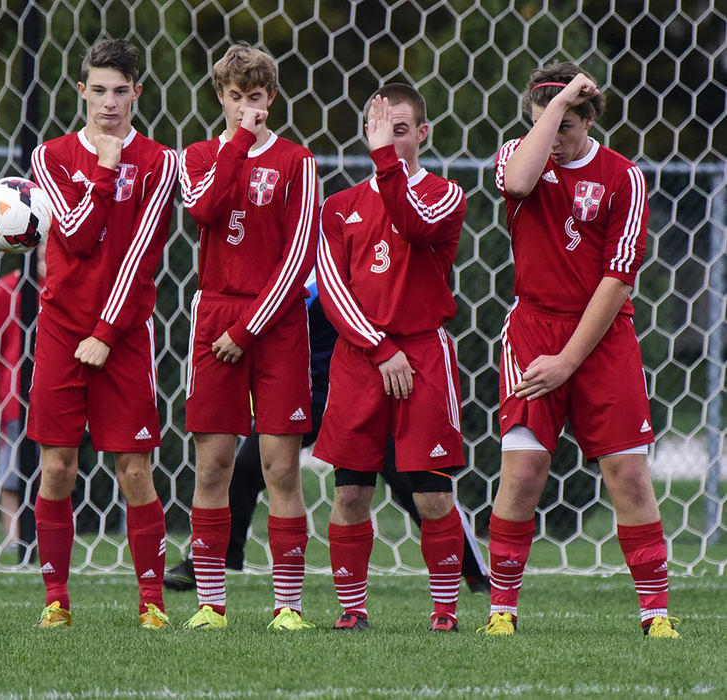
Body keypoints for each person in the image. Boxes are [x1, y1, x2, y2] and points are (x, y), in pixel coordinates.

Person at [480, 61, 679, 639]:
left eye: (566, 125)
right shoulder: (520, 160)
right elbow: (517, 183)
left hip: (601, 336)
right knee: (523, 473)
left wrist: (569, 360)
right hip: (533, 329)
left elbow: (617, 281)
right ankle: (501, 613)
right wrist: (556, 101)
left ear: (590, 121)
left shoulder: (624, 178)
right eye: (543, 123)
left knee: (628, 475)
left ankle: (655, 616)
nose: (555, 138)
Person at [164, 280, 490, 593]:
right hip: (305, 398)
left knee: (419, 485)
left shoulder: (341, 264)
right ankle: (208, 562)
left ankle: (476, 575)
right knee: (245, 468)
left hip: (362, 396)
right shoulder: (284, 271)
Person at [28, 38, 178, 629]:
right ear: (81, 91)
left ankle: (153, 605)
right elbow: (77, 234)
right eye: (99, 90)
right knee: (58, 467)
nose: (109, 102)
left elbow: (142, 254)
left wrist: (109, 332)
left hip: (124, 338)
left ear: (137, 93)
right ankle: (56, 602)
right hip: (62, 331)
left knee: (135, 470)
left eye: (121, 91)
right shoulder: (49, 157)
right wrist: (105, 167)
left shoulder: (162, 163)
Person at [314, 83, 468, 632]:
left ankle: (445, 612)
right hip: (361, 359)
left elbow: (412, 222)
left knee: (431, 494)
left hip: (424, 354)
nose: (389, 140)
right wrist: (379, 350)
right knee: (351, 490)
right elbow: (332, 290)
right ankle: (352, 610)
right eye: (381, 130)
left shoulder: (445, 195)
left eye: (400, 130)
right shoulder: (338, 208)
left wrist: (385, 161)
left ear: (422, 134)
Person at [179, 43, 319, 631]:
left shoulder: (297, 161)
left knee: (279, 468)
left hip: (275, 323)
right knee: (211, 465)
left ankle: (287, 606)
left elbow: (300, 255)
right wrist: (236, 145)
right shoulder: (198, 156)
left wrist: (249, 328)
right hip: (214, 317)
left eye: (255, 98)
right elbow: (203, 212)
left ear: (272, 98)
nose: (245, 109)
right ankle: (211, 605)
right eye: (235, 98)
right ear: (221, 98)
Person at [0, 242, 46, 551]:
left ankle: (45, 536)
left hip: (50, 392)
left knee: (51, 468)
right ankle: (13, 539)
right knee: (10, 472)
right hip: (13, 393)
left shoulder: (62, 288)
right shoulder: (8, 288)